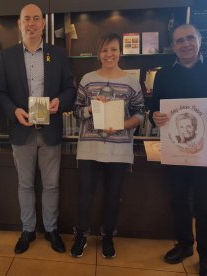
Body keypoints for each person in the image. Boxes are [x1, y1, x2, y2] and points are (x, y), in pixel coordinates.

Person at [150, 24, 207, 276]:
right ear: (173, 46)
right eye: (179, 41)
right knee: (178, 201)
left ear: (199, 40)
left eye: (190, 38)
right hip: (175, 151)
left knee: (206, 206)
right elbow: (154, 108)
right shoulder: (164, 74)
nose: (185, 44)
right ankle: (185, 244)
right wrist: (154, 115)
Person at [0, 3, 75, 254]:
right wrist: (14, 111)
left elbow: (70, 89)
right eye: (26, 19)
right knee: (25, 185)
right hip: (22, 130)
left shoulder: (58, 54)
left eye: (36, 18)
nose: (31, 23)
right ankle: (27, 230)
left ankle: (51, 230)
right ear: (19, 24)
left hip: (50, 130)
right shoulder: (7, 56)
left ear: (43, 24)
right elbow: (0, 93)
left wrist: (59, 102)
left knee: (51, 185)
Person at [70, 33, 145, 258]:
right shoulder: (87, 79)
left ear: (119, 52)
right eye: (104, 50)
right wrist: (92, 109)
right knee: (85, 195)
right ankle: (81, 234)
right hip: (89, 149)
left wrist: (122, 124)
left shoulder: (131, 82)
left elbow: (141, 113)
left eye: (113, 49)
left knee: (113, 196)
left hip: (119, 149)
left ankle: (108, 236)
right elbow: (76, 111)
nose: (109, 54)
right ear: (98, 53)